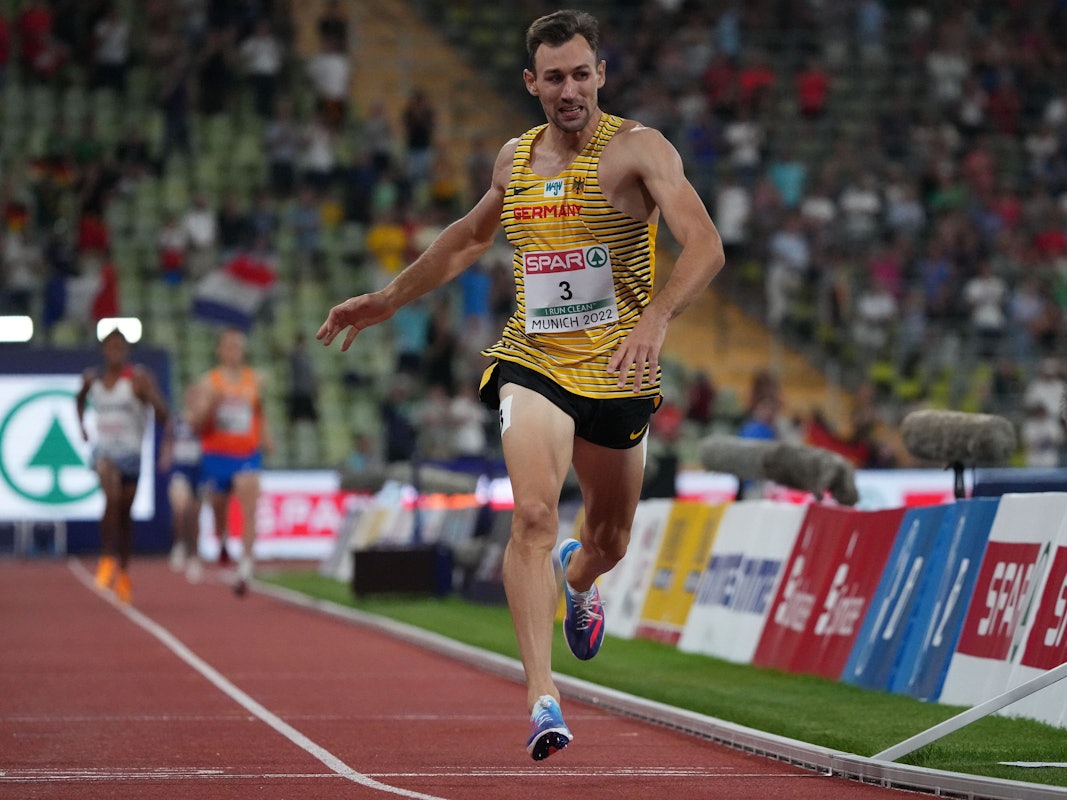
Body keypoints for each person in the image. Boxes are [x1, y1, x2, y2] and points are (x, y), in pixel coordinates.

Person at [317, 10, 724, 761]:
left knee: (607, 538)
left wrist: (657, 319)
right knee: (532, 512)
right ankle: (542, 696)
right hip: (532, 359)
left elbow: (703, 242)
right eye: (553, 77)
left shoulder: (639, 149)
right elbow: (470, 238)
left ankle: (579, 580)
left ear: (600, 74)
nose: (568, 89)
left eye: (580, 74)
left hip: (616, 368)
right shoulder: (515, 157)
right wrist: (385, 299)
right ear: (530, 83)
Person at [76, 329, 170, 604]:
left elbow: (164, 414)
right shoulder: (93, 380)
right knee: (112, 493)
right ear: (104, 350)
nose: (115, 351)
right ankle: (106, 557)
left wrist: (166, 445)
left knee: (125, 516)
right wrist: (82, 427)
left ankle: (124, 571)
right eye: (110, 346)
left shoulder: (137, 380)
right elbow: (78, 400)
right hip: (105, 453)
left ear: (126, 351)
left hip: (132, 455)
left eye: (120, 346)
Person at [189, 328, 274, 596]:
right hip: (217, 454)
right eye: (229, 347)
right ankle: (223, 538)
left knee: (250, 507)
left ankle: (246, 564)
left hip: (247, 453)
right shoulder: (208, 383)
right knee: (219, 509)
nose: (234, 351)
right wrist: (211, 406)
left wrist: (267, 437)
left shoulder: (255, 380)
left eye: (238, 346)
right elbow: (196, 426)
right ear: (220, 351)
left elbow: (259, 413)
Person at [161, 384, 205, 583]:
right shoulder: (177, 420)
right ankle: (179, 544)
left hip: (200, 469)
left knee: (195, 514)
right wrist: (165, 457)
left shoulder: (205, 420)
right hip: (180, 468)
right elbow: (168, 440)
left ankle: (195, 556)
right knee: (180, 508)